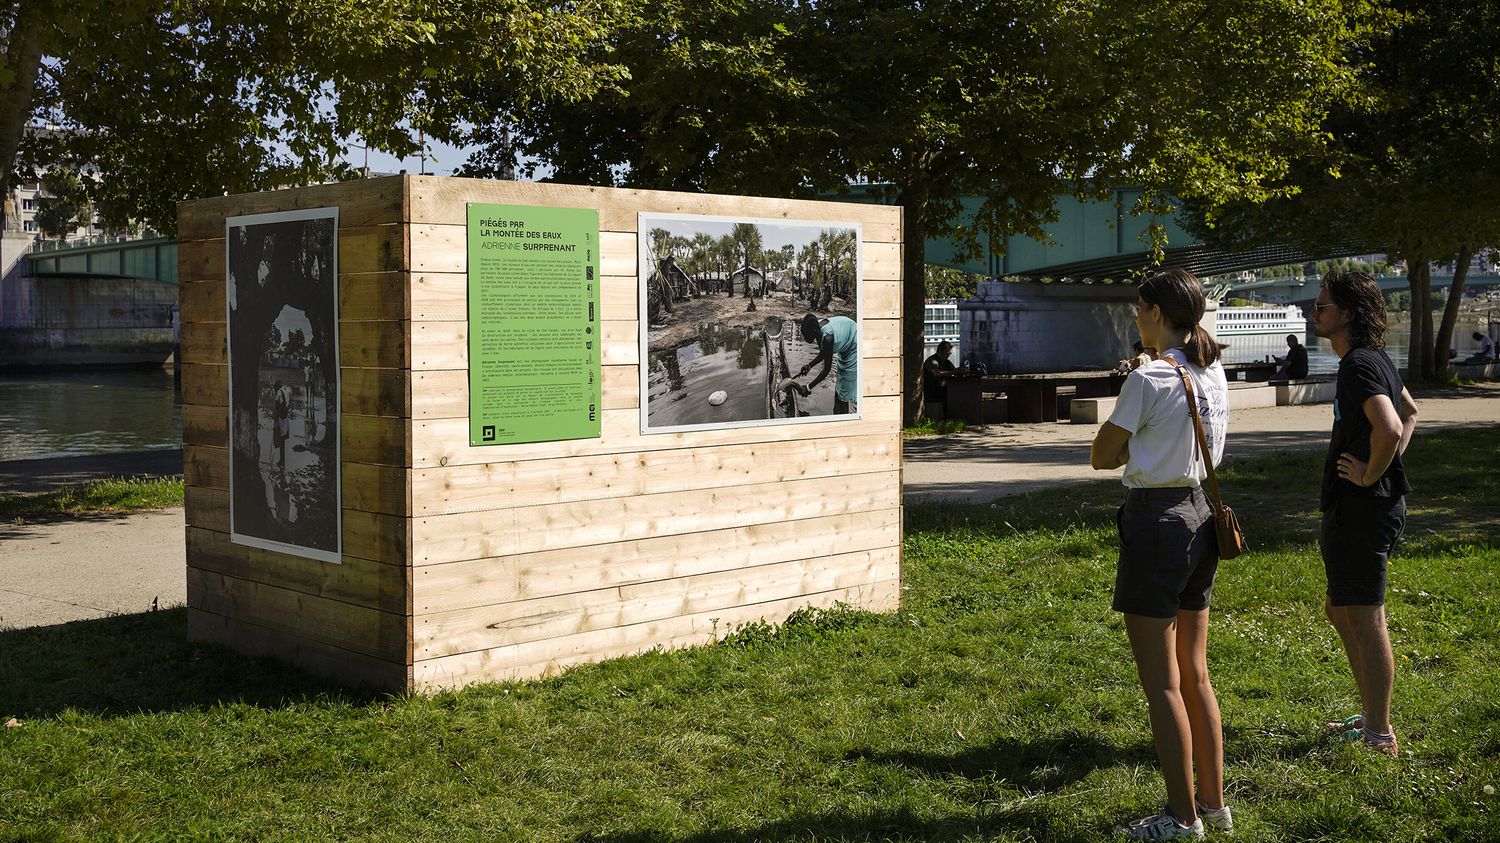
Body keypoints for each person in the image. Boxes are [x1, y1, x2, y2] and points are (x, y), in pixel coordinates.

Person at [1090, 268, 1232, 839]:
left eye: (1137, 309)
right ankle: (1214, 805)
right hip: (1202, 515)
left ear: (1153, 312)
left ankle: (1181, 817)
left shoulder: (1149, 378)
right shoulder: (1212, 371)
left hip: (1156, 522)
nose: (1135, 317)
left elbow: (1102, 456)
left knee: (1163, 684)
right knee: (1195, 674)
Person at [1311, 270, 1419, 757]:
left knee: (1367, 617)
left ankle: (1379, 732)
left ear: (1348, 314)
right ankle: (1372, 712)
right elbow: (1412, 411)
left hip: (1363, 510)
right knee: (1340, 608)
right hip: (1362, 508)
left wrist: (1372, 474)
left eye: (1323, 306)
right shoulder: (1375, 359)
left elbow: (1393, 425)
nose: (1315, 312)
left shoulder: (1358, 364)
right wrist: (1385, 465)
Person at [796, 313, 858, 414]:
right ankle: (838, 411)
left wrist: (808, 387)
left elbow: (826, 370)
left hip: (854, 343)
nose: (805, 337)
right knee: (840, 386)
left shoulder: (828, 338)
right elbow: (824, 352)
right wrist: (809, 365)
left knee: (845, 387)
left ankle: (844, 417)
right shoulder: (817, 327)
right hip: (846, 338)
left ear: (813, 332)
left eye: (806, 334)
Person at [922, 340, 957, 417]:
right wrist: (954, 372)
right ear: (940, 351)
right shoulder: (932, 361)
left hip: (944, 392)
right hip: (932, 393)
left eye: (949, 353)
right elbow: (937, 373)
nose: (948, 355)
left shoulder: (946, 362)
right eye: (947, 353)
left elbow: (954, 371)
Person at [272, 380, 292, 471]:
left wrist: (276, 416)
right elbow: (286, 404)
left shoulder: (279, 394)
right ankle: (282, 460)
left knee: (280, 439)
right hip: (285, 418)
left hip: (281, 418)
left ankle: (282, 461)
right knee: (282, 440)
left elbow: (281, 404)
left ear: (276, 388)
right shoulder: (285, 390)